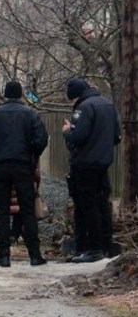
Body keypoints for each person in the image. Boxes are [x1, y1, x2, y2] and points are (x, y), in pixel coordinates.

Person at [0, 81, 48, 267]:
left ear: (5, 95)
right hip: (23, 166)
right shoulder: (31, 114)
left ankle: (3, 256)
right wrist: (31, 155)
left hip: (0, 167)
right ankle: (35, 255)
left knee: (1, 212)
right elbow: (41, 140)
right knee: (28, 211)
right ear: (21, 94)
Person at [62, 78, 121, 263]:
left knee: (87, 206)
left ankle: (91, 248)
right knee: (102, 204)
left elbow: (78, 136)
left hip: (85, 164)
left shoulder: (84, 107)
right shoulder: (108, 105)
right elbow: (117, 136)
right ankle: (105, 246)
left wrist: (67, 131)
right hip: (103, 163)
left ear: (75, 96)